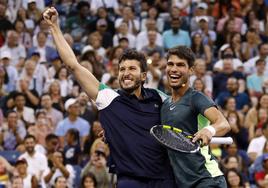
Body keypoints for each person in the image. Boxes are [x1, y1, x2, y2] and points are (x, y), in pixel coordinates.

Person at [43, 7, 175, 188]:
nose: (125, 73)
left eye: (132, 69)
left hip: (164, 179)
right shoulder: (108, 98)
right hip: (130, 181)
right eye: (122, 69)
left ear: (144, 76)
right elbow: (73, 65)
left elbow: (182, 116)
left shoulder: (159, 98)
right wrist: (54, 27)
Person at [161, 46, 230, 187]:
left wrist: (209, 130)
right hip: (183, 183)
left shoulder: (197, 98)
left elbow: (223, 123)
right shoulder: (165, 105)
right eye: (170, 64)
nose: (174, 69)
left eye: (180, 65)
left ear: (191, 70)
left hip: (207, 180)